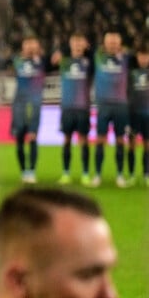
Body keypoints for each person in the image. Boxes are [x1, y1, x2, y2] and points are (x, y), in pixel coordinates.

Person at [53, 32, 94, 185]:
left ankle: (85, 173)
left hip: (83, 107)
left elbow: (94, 52)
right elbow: (50, 60)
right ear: (70, 44)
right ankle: (66, 173)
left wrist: (88, 48)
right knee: (67, 140)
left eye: (80, 42)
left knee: (84, 140)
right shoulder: (64, 61)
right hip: (67, 108)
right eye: (74, 42)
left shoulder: (89, 62)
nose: (77, 45)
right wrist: (63, 50)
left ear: (85, 44)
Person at [92, 31, 131, 188]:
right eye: (110, 42)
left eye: (115, 42)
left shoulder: (127, 58)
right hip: (103, 105)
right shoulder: (97, 56)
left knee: (121, 140)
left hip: (121, 105)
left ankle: (120, 175)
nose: (113, 44)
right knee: (100, 140)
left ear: (120, 43)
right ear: (105, 43)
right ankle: (98, 175)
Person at [10, 36, 47, 184]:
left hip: (35, 104)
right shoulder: (16, 60)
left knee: (32, 137)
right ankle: (23, 171)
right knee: (19, 139)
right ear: (23, 47)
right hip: (19, 104)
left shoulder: (43, 61)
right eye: (28, 45)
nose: (31, 48)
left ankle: (31, 171)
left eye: (33, 44)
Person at [127, 43, 149, 185]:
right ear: (137, 56)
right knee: (132, 144)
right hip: (132, 113)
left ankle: (147, 174)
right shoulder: (130, 72)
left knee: (147, 144)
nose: (144, 59)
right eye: (141, 55)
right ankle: (131, 174)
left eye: (146, 56)